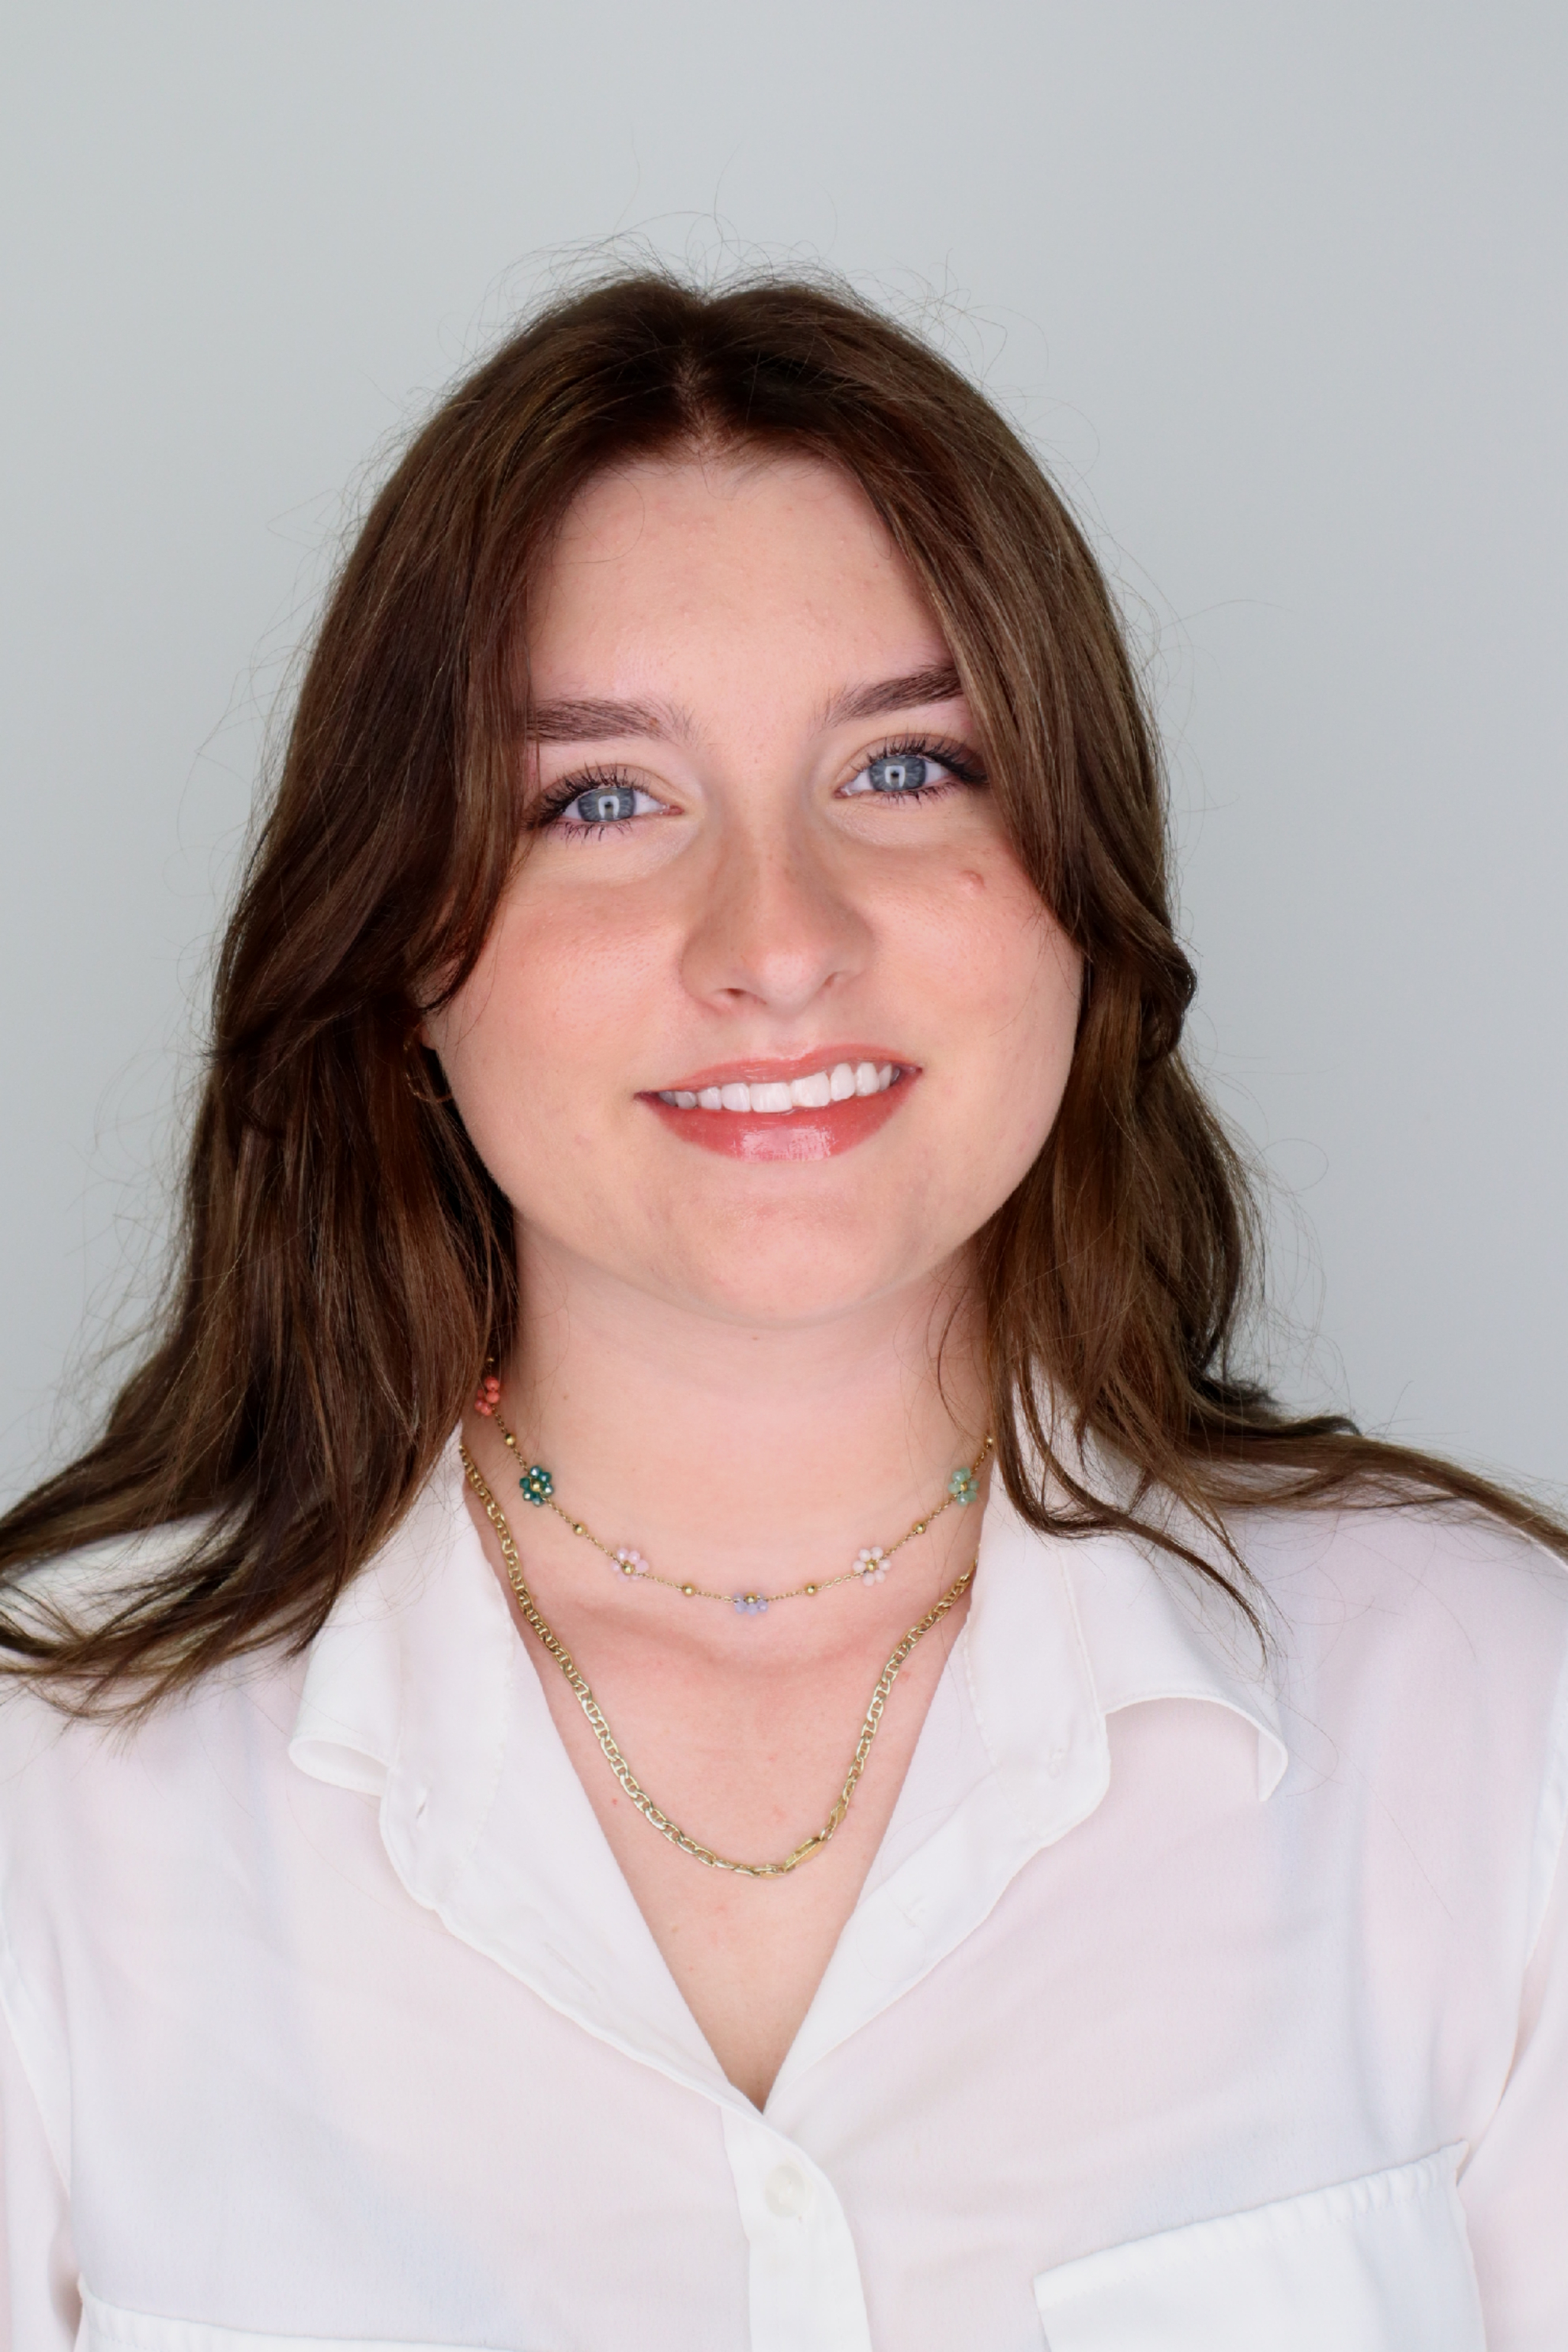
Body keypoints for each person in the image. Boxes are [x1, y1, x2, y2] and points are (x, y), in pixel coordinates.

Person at [0, 271, 1562, 2352]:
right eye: (602, 800)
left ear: (1084, 891)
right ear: (396, 954)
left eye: (909, 769)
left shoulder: (1484, 1722)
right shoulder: (57, 1792)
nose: (778, 941)